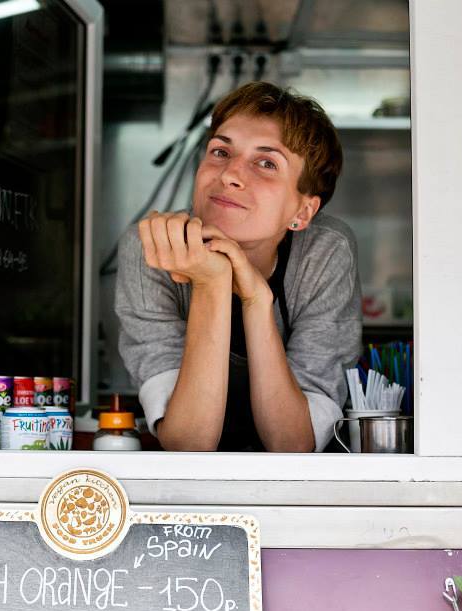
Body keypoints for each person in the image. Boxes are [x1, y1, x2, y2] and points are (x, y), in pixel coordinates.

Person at [115, 81, 362, 452]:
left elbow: (294, 445)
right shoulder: (151, 247)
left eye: (266, 163)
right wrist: (212, 281)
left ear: (303, 211)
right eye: (220, 151)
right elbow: (188, 441)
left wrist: (256, 302)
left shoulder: (324, 252)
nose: (229, 174)